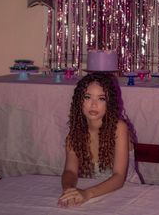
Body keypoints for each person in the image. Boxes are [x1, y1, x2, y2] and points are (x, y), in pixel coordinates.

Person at [58, 71, 136, 208]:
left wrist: (86, 194)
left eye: (101, 98)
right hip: (94, 195)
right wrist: (69, 189)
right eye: (87, 97)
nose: (93, 105)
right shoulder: (74, 133)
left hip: (127, 193)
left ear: (109, 102)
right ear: (79, 101)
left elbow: (118, 177)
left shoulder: (119, 128)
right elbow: (70, 171)